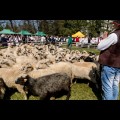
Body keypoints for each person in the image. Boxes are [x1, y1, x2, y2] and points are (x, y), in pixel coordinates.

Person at [97, 20, 120, 100]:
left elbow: (100, 46)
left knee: (107, 87)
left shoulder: (114, 35)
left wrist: (104, 39)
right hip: (118, 64)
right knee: (115, 84)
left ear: (117, 24)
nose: (113, 25)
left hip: (110, 64)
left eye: (114, 24)